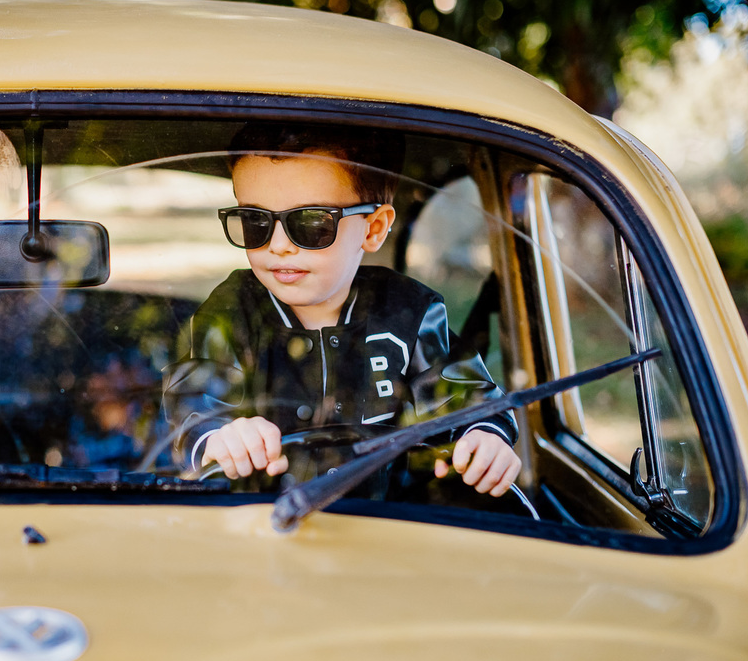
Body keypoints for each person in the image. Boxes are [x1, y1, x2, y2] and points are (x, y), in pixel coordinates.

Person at [163, 123, 521, 499]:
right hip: (258, 527)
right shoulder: (232, 309)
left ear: (373, 228)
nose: (279, 245)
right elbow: (193, 401)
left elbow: (472, 400)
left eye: (312, 223)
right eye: (255, 222)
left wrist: (485, 437)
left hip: (390, 527)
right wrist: (220, 436)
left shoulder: (410, 312)